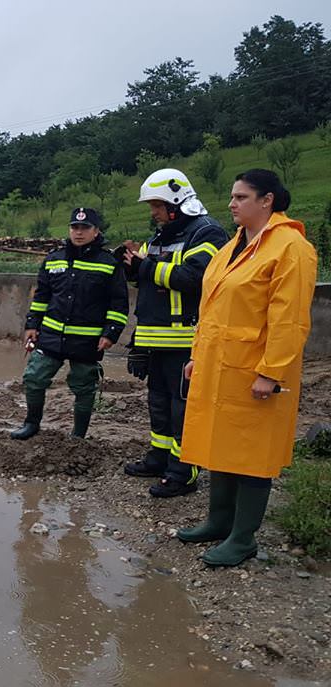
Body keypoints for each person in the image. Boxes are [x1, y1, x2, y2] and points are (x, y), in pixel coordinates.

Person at [177, 169, 317, 567]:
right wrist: (196, 356)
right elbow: (212, 309)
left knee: (252, 454)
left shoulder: (291, 247)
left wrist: (270, 373)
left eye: (240, 197)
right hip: (218, 365)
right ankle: (218, 521)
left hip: (255, 370)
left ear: (267, 200)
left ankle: (243, 538)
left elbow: (289, 319)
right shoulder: (234, 245)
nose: (232, 204)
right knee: (219, 444)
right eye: (233, 197)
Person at [121, 169, 229, 497]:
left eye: (156, 204)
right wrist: (131, 268)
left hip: (188, 342)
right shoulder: (159, 236)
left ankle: (184, 471)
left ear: (177, 202)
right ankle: (160, 457)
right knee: (159, 404)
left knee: (185, 409)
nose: (152, 211)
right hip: (157, 340)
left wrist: (146, 267)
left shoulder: (207, 233)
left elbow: (194, 278)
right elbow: (149, 285)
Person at [10, 207, 129, 440]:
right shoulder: (53, 259)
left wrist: (111, 334)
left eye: (85, 228)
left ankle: (78, 435)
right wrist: (32, 325)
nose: (79, 232)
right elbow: (42, 296)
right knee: (34, 378)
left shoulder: (108, 263)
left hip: (88, 340)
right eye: (75, 227)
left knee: (84, 388)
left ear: (96, 231)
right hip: (51, 335)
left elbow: (119, 303)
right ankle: (32, 424)